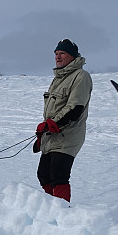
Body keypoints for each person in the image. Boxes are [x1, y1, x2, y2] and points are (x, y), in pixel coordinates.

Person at [35, 39, 93, 202]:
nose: (58, 57)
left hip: (68, 135)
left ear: (73, 57)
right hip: (52, 136)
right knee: (44, 175)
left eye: (62, 54)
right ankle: (50, 208)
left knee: (58, 174)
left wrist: (52, 123)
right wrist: (45, 130)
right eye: (56, 54)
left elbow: (75, 108)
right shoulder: (58, 79)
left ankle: (61, 213)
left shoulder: (81, 76)